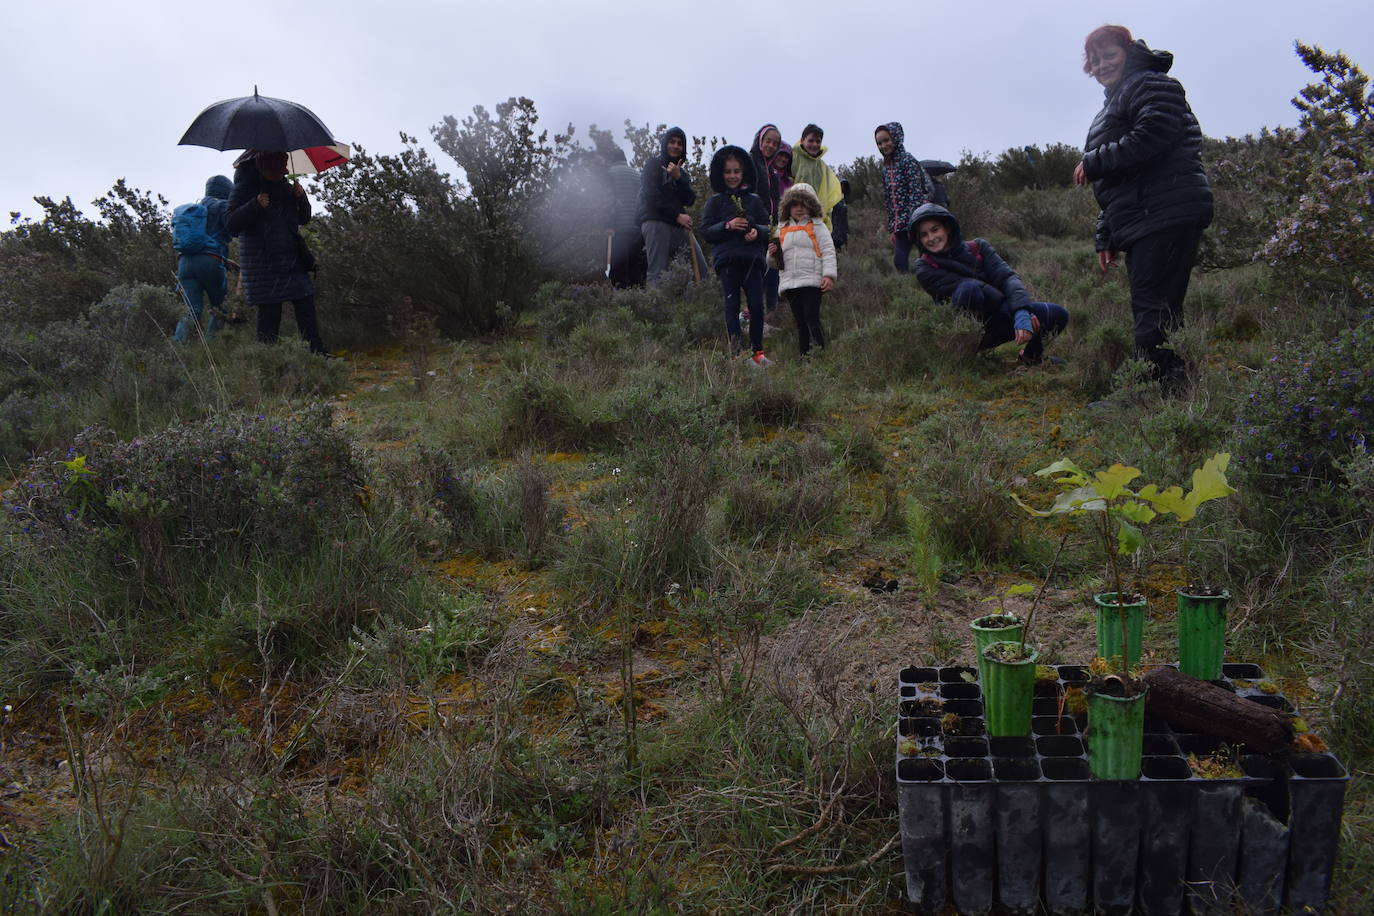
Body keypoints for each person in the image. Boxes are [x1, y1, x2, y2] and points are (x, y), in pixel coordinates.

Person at [1073, 24, 1213, 390]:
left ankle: (1150, 391)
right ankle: (1173, 384)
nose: (1102, 65)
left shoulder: (1149, 83)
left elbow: (1155, 134)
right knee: (1158, 306)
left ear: (1128, 53)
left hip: (1164, 210)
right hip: (1146, 213)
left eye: (1109, 55)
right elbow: (1123, 181)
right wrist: (1106, 233)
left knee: (1154, 307)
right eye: (1095, 59)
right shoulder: (1120, 97)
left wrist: (1094, 160)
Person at [911, 202, 1068, 366]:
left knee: (1057, 314)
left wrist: (1022, 312)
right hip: (964, 330)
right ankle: (963, 359)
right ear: (919, 240)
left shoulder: (978, 247)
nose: (931, 238)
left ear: (948, 228)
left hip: (999, 318)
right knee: (969, 290)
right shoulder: (924, 267)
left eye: (935, 229)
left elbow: (1007, 278)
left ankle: (1031, 357)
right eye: (923, 234)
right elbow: (974, 289)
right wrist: (1016, 311)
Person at [225, 150, 328, 354]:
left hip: (292, 258)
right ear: (265, 164)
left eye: (285, 163)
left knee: (306, 305)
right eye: (281, 164)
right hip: (263, 264)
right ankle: (268, 363)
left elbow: (302, 219)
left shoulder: (286, 187)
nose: (286, 168)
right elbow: (230, 224)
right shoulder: (245, 188)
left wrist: (302, 198)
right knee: (270, 315)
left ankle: (318, 355)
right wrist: (255, 205)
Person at [701, 146, 772, 364]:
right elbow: (705, 231)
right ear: (720, 174)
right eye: (728, 172)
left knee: (757, 306)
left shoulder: (754, 200)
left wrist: (756, 232)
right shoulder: (714, 202)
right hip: (727, 262)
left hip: (753, 261)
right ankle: (737, 354)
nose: (732, 176)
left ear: (744, 173)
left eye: (737, 171)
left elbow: (768, 227)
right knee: (731, 306)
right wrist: (727, 226)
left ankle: (758, 353)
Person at [768, 183, 837, 359]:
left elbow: (828, 251)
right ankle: (804, 357)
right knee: (800, 322)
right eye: (795, 205)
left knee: (811, 318)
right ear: (788, 207)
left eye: (804, 205)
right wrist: (771, 254)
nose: (799, 209)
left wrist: (828, 276)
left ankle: (821, 354)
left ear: (811, 206)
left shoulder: (817, 226)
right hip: (790, 284)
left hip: (812, 282)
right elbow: (774, 263)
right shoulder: (781, 229)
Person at [636, 126, 707, 285]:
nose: (675, 146)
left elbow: (689, 199)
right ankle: (655, 309)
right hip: (655, 222)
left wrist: (678, 178)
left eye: (680, 143)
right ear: (665, 144)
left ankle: (698, 305)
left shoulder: (682, 173)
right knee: (658, 273)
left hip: (677, 226)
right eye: (672, 142)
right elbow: (651, 196)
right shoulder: (653, 165)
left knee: (701, 270)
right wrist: (677, 215)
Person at [173, 174, 235, 343]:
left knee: (190, 310)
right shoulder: (222, 206)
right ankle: (212, 345)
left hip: (184, 263)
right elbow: (232, 231)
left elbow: (201, 241)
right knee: (221, 306)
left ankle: (179, 349)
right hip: (210, 261)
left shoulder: (195, 209)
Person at [874, 122, 934, 273]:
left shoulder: (908, 160)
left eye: (886, 140)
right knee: (899, 260)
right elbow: (889, 200)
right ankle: (906, 288)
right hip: (899, 225)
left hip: (916, 221)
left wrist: (912, 222)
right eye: (879, 143)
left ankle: (929, 287)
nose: (883, 145)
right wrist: (892, 228)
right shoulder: (886, 168)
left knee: (926, 258)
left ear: (896, 138)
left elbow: (916, 194)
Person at [749, 123, 785, 311]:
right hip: (755, 226)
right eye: (768, 141)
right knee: (757, 272)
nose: (771, 146)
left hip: (771, 228)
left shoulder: (772, 171)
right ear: (760, 140)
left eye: (775, 143)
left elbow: (776, 200)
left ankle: (772, 313)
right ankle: (751, 314)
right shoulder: (750, 162)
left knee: (773, 269)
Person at [604, 147, 646, 288]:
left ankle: (620, 302)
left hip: (618, 228)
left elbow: (608, 201)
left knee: (619, 268)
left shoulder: (609, 174)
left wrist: (608, 224)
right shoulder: (637, 174)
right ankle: (640, 301)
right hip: (637, 229)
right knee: (635, 267)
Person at [789, 124, 843, 230]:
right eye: (811, 140)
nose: (814, 144)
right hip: (794, 217)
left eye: (818, 141)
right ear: (802, 140)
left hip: (815, 219)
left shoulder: (822, 166)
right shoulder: (793, 157)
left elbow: (829, 193)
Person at [832, 179, 851, 251]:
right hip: (835, 229)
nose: (842, 188)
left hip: (842, 229)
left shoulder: (843, 200)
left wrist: (847, 230)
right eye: (841, 185)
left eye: (844, 186)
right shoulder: (834, 198)